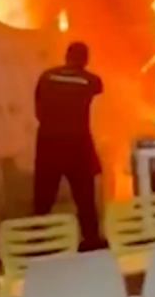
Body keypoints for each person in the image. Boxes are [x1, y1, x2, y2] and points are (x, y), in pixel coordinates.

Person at [33, 40, 104, 249]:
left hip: (48, 142)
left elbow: (38, 109)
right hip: (76, 144)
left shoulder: (47, 76)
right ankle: (91, 239)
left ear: (66, 56)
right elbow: (99, 87)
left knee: (43, 197)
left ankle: (36, 240)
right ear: (85, 60)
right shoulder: (89, 80)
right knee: (84, 196)